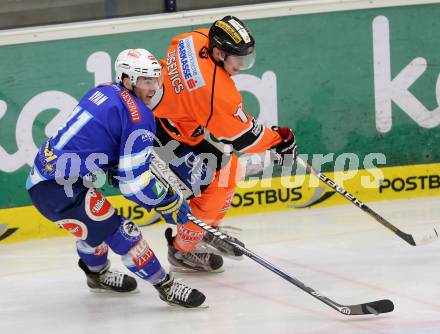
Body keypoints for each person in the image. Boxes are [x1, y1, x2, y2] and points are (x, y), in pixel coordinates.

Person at [25, 48, 206, 308]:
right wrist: (168, 201)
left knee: (94, 229)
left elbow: (92, 139)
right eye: (146, 80)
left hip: (52, 178)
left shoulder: (104, 89)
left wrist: (113, 166)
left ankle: (96, 275)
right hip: (57, 188)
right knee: (123, 232)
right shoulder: (140, 117)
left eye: (156, 79)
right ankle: (165, 285)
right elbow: (133, 186)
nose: (154, 87)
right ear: (127, 80)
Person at [152, 16, 297, 273]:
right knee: (221, 182)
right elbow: (243, 138)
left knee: (225, 172)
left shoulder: (193, 39)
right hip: (159, 137)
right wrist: (279, 140)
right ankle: (182, 249)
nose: (242, 64)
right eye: (237, 58)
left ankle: (203, 230)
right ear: (218, 52)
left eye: (246, 57)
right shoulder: (215, 92)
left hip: (170, 124)